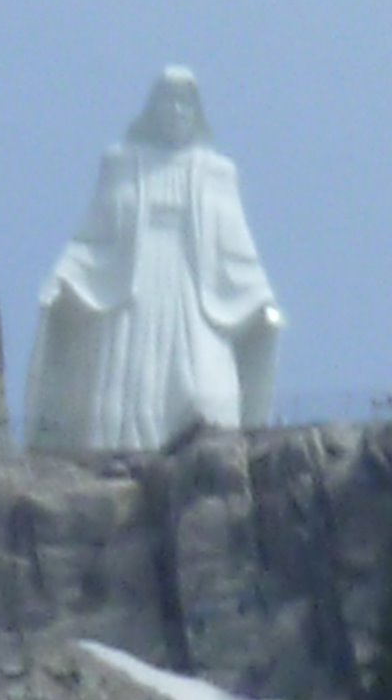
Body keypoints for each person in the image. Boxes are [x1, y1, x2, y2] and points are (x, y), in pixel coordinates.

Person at [24, 66, 283, 451]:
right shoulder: (120, 163)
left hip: (195, 296)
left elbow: (237, 248)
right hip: (130, 293)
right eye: (169, 101)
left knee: (203, 385)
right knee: (125, 386)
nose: (177, 111)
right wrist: (64, 278)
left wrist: (260, 298)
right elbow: (93, 237)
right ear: (153, 108)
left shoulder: (218, 172)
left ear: (197, 112)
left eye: (185, 103)